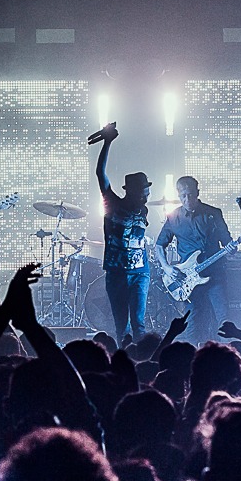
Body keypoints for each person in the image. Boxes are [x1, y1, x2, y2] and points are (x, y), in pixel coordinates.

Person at [89, 122, 151, 340]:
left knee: (139, 324)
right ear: (132, 192)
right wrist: (107, 143)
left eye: (147, 192)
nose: (147, 196)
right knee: (122, 327)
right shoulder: (112, 204)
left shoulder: (143, 210)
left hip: (140, 273)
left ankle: (141, 356)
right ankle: (124, 357)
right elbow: (100, 174)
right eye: (143, 192)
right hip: (117, 273)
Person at [155, 175, 233, 343]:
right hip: (188, 279)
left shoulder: (213, 214)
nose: (187, 199)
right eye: (183, 196)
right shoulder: (173, 217)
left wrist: (232, 248)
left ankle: (227, 355)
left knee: (224, 319)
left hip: (215, 275)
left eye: (190, 194)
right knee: (192, 321)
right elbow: (159, 245)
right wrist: (167, 268)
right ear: (178, 195)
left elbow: (227, 242)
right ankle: (191, 356)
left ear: (197, 192)